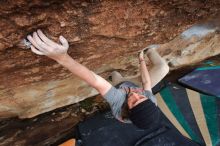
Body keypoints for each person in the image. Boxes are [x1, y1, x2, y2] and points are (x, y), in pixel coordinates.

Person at [27, 29, 169, 129]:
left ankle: (114, 75)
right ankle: (150, 50)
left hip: (121, 85)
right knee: (163, 68)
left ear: (129, 110)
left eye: (133, 102)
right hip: (136, 82)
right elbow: (146, 83)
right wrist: (141, 59)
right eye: (142, 98)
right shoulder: (150, 103)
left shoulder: (118, 103)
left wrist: (63, 58)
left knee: (116, 76)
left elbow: (96, 81)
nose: (135, 95)